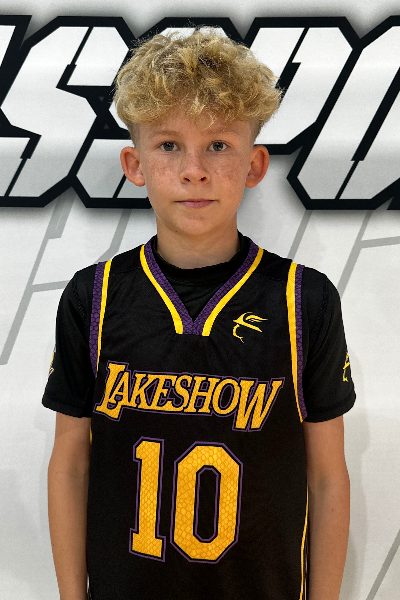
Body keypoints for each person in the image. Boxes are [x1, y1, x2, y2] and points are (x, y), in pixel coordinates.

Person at [43, 27, 355, 600]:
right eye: (168, 146)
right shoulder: (94, 297)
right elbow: (70, 465)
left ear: (254, 165)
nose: (194, 170)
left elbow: (328, 476)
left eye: (218, 145)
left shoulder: (303, 300)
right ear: (134, 163)